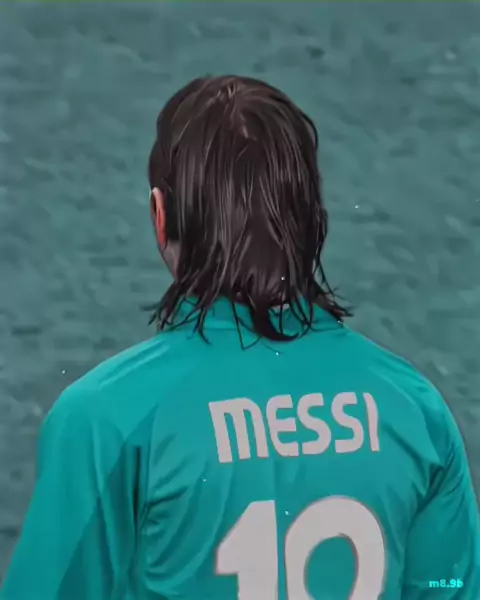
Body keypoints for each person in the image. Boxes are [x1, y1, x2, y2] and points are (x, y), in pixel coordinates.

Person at [1, 75, 478, 600]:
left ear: (160, 216)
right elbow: (448, 586)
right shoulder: (415, 411)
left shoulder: (106, 421)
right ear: (311, 219)